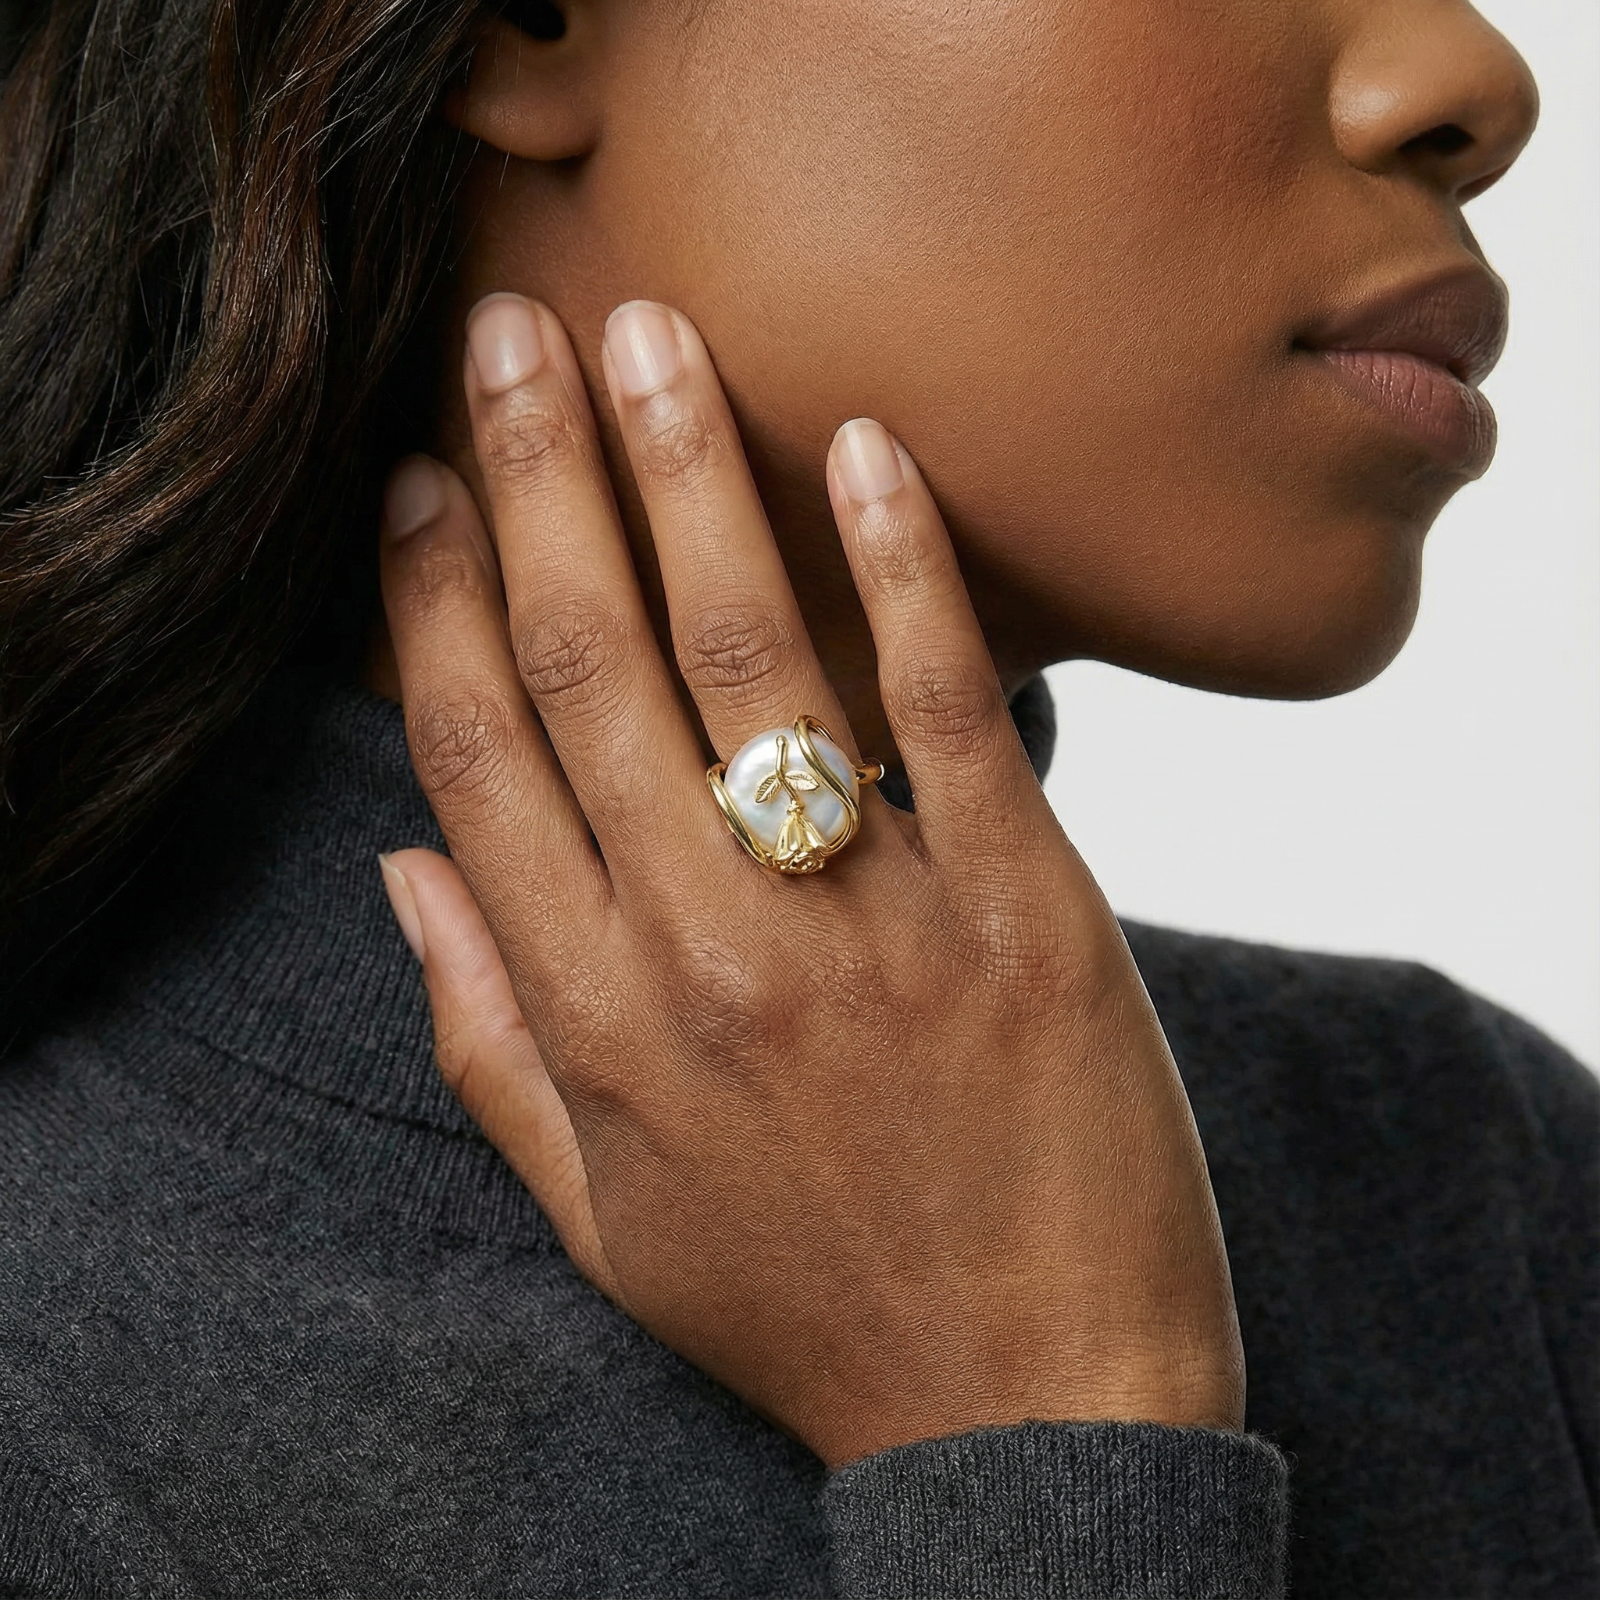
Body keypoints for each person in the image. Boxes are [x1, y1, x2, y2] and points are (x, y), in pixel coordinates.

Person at [0, 0, 1593, 1595]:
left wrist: (1035, 1421)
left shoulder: (1482, 1194)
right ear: (522, 26)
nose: (1472, 77)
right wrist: (1047, 1450)